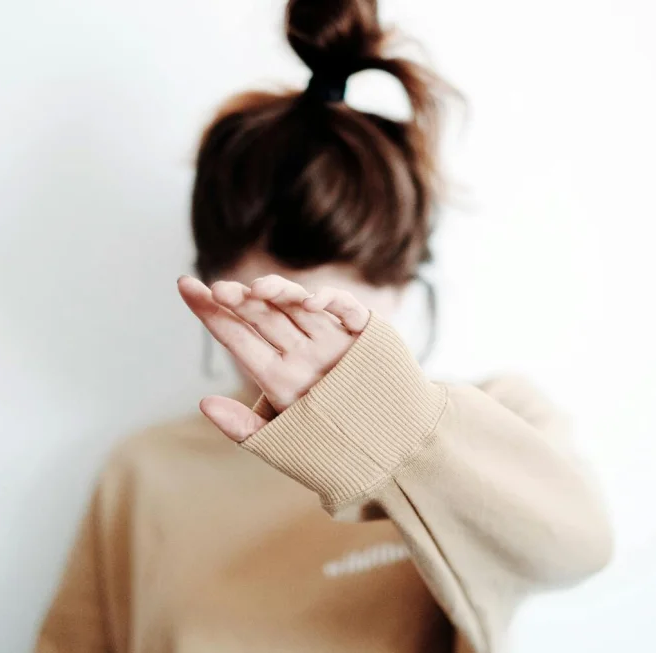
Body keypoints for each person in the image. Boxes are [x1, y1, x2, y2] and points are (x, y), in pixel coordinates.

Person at [35, 0, 613, 651]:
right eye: (270, 314)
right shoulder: (143, 472)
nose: (303, 350)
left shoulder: (487, 425)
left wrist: (389, 423)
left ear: (403, 289)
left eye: (339, 324)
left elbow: (579, 547)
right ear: (209, 289)